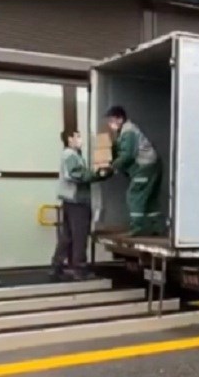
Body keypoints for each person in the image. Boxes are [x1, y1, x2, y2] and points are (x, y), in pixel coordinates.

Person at [51, 129, 112, 281]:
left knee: (67, 236)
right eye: (77, 136)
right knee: (79, 235)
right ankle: (80, 268)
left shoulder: (73, 155)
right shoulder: (70, 155)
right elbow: (76, 174)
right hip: (77, 201)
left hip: (70, 201)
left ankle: (57, 265)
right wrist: (97, 174)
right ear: (69, 139)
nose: (80, 139)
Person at [105, 105, 163, 237]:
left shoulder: (128, 131)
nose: (110, 124)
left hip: (144, 167)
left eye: (112, 120)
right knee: (150, 198)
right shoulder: (128, 130)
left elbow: (127, 155)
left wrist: (112, 166)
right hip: (153, 165)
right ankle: (157, 226)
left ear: (120, 119)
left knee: (134, 195)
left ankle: (137, 227)